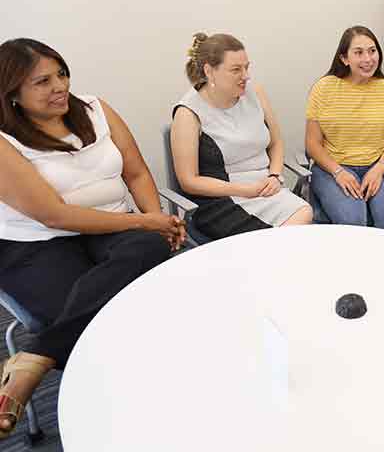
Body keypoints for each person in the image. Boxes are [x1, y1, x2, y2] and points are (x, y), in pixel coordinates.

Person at [0, 38, 186, 438]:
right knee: (99, 324)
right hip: (35, 243)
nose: (59, 86)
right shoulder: (3, 140)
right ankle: (113, 422)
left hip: (113, 223)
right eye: (42, 81)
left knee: (150, 247)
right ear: (12, 94)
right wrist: (147, 222)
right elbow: (53, 216)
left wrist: (153, 218)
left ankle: (36, 357)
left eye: (62, 74)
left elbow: (135, 173)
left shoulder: (96, 110)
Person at [171, 33, 312, 239]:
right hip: (220, 200)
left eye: (247, 67)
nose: (245, 76)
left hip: (264, 188)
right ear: (209, 71)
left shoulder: (255, 93)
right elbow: (188, 181)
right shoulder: (188, 113)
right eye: (236, 70)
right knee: (285, 235)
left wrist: (274, 175)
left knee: (304, 212)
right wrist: (244, 190)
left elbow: (276, 142)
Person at [305, 26, 384, 231]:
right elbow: (312, 144)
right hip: (333, 167)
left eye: (372, 51)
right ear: (344, 58)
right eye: (358, 53)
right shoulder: (324, 88)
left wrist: (379, 169)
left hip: (380, 164)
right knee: (353, 223)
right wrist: (338, 172)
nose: (368, 59)